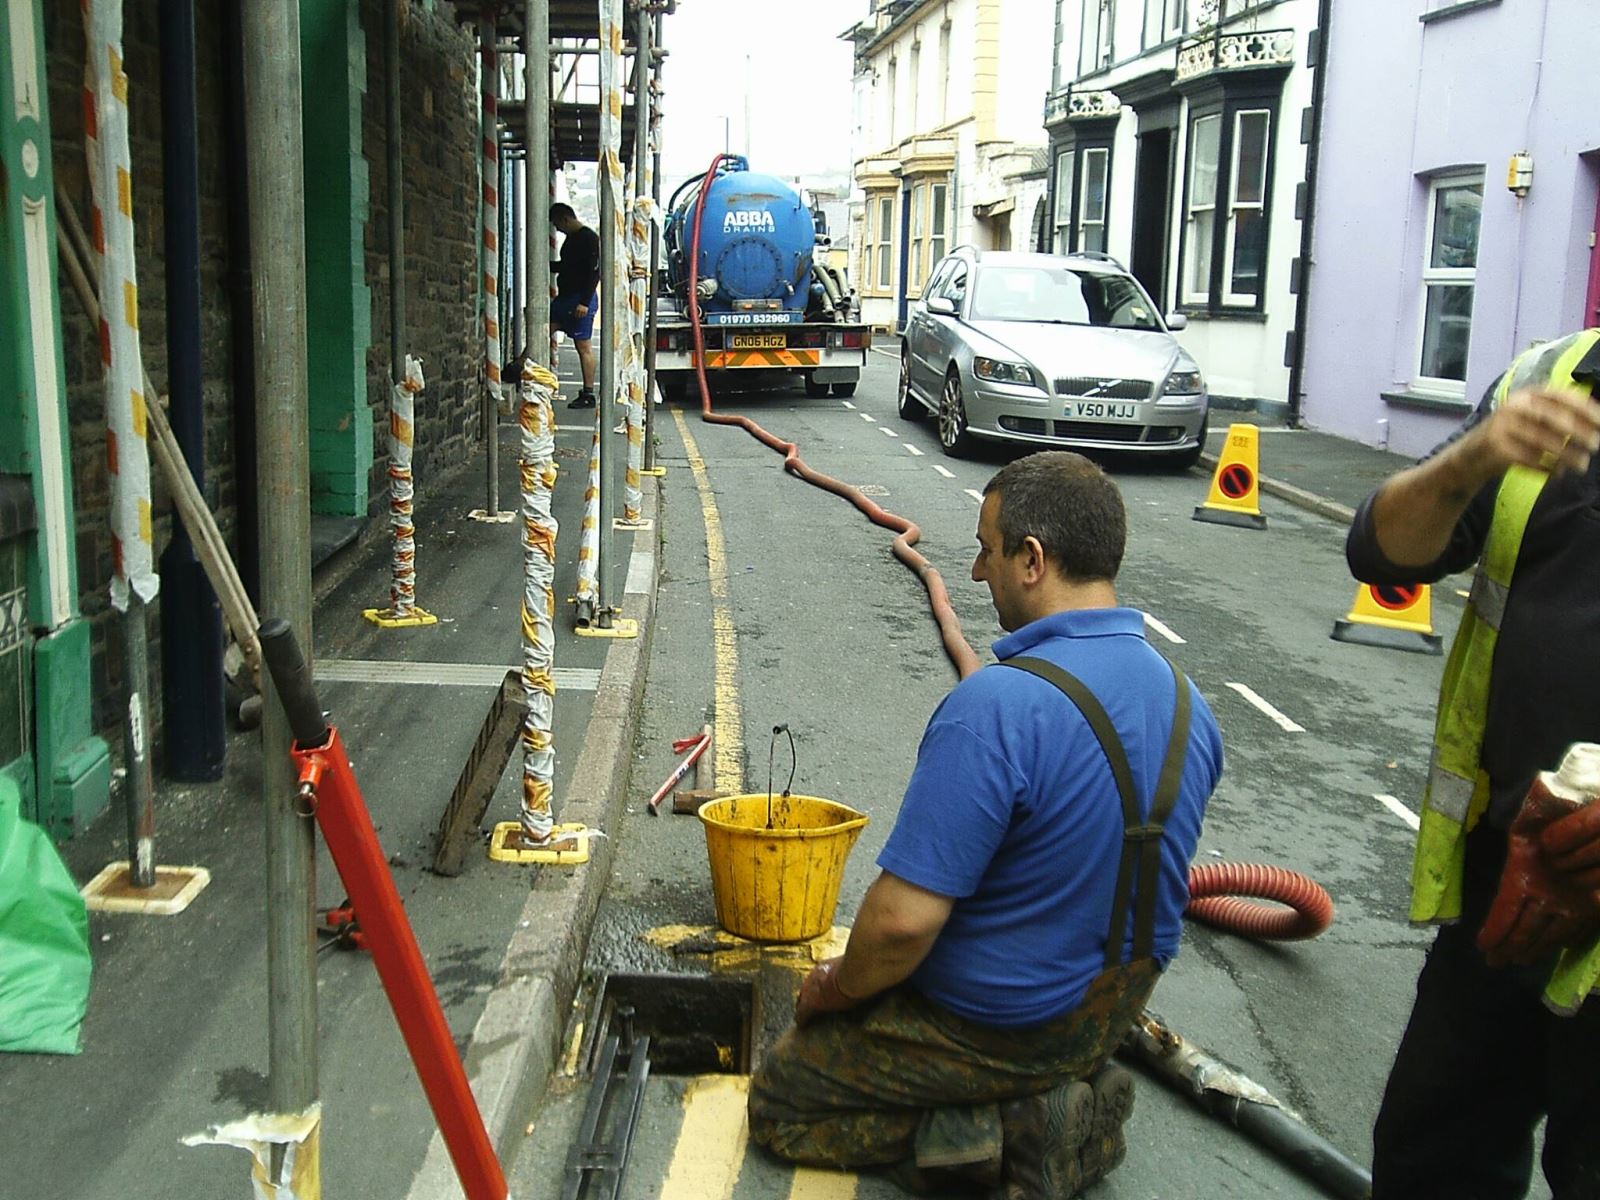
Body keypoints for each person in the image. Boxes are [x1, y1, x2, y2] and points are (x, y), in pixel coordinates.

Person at [748, 451, 1224, 1199]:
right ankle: (1057, 1093)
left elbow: (901, 926)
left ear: (1031, 560)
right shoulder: (1191, 706)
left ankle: (1015, 1135)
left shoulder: (995, 708)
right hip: (1111, 1009)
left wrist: (835, 992)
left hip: (1000, 1025)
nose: (975, 571)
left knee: (782, 1102)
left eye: (986, 548)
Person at [1346, 328, 1600, 1199]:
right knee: (1431, 1156)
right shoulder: (1556, 376)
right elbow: (1382, 554)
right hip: (1514, 885)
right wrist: (1471, 462)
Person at [550, 203, 601, 408]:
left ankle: (588, 393)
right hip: (565, 298)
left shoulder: (589, 238)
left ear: (565, 219)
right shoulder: (571, 239)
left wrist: (584, 302)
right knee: (544, 328)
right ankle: (521, 368)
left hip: (580, 299)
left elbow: (594, 272)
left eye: (557, 225)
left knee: (583, 346)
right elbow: (568, 266)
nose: (557, 229)